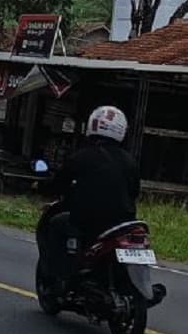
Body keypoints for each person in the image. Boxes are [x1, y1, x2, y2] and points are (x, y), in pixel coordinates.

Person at [44, 105, 140, 283]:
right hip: (124, 224)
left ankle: (59, 273)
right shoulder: (130, 161)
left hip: (88, 222)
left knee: (56, 223)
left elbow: (59, 184)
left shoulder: (81, 157)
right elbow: (135, 192)